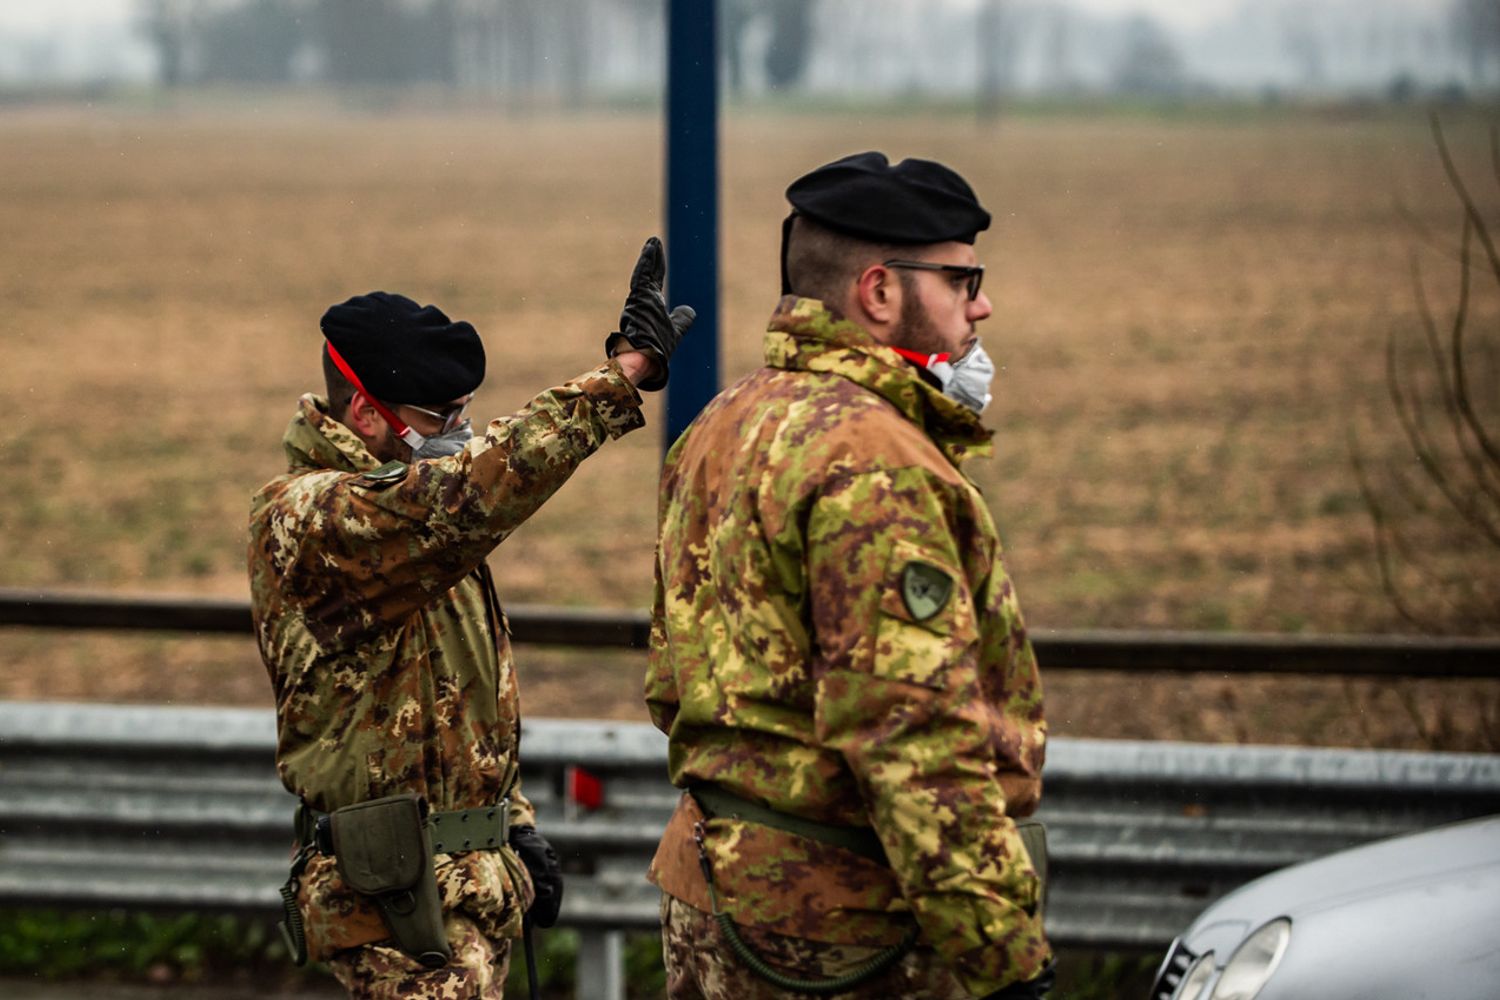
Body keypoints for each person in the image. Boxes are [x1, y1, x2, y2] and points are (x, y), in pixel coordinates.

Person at [644, 152, 1053, 999]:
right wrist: (999, 954)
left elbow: (668, 683)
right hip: (846, 937)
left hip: (716, 902)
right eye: (961, 277)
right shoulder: (876, 461)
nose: (982, 304)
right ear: (878, 292)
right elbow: (911, 736)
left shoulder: (723, 422)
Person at [249, 237, 694, 999]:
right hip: (392, 909)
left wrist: (510, 822)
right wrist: (619, 379)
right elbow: (470, 494)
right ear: (364, 413)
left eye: (464, 412)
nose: (458, 430)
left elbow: (449, 702)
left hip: (467, 893)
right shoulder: (314, 518)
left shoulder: (418, 538)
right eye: (438, 416)